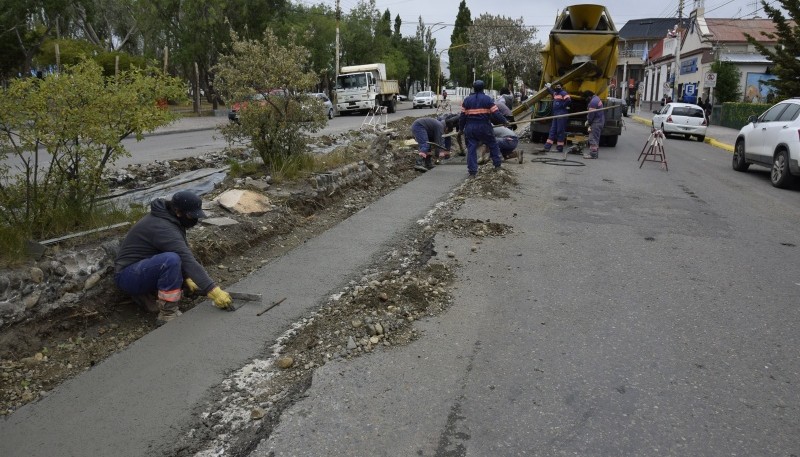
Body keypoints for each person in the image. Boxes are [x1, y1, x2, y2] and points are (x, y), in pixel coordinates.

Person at [114, 191, 233, 325]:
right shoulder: (162, 227)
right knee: (171, 260)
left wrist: (187, 278)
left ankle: (147, 295)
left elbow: (183, 251)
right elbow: (186, 259)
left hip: (142, 269)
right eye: (190, 215)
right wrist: (213, 291)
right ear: (178, 211)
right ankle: (167, 313)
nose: (195, 219)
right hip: (128, 276)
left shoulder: (169, 219)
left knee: (174, 258)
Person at [458, 80, 510, 177]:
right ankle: (497, 165)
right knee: (492, 144)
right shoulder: (488, 99)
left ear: (474, 88)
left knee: (471, 148)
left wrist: (461, 129)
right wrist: (504, 121)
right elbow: (496, 113)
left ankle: (472, 172)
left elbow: (462, 117)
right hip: (484, 126)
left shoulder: (467, 100)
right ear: (483, 88)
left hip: (470, 127)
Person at [541, 82, 571, 153]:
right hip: (556, 115)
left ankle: (559, 148)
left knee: (560, 131)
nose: (557, 88)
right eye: (556, 86)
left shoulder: (563, 93)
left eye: (558, 86)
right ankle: (547, 147)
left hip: (561, 114)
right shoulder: (556, 93)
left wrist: (563, 106)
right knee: (552, 130)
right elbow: (551, 92)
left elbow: (568, 100)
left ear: (560, 87)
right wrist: (548, 87)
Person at [583, 90, 605, 159]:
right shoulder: (596, 98)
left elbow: (591, 115)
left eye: (586, 98)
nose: (586, 100)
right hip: (599, 121)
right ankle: (594, 153)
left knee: (592, 138)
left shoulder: (593, 102)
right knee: (596, 139)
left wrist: (588, 122)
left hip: (596, 122)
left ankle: (593, 155)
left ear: (589, 97)